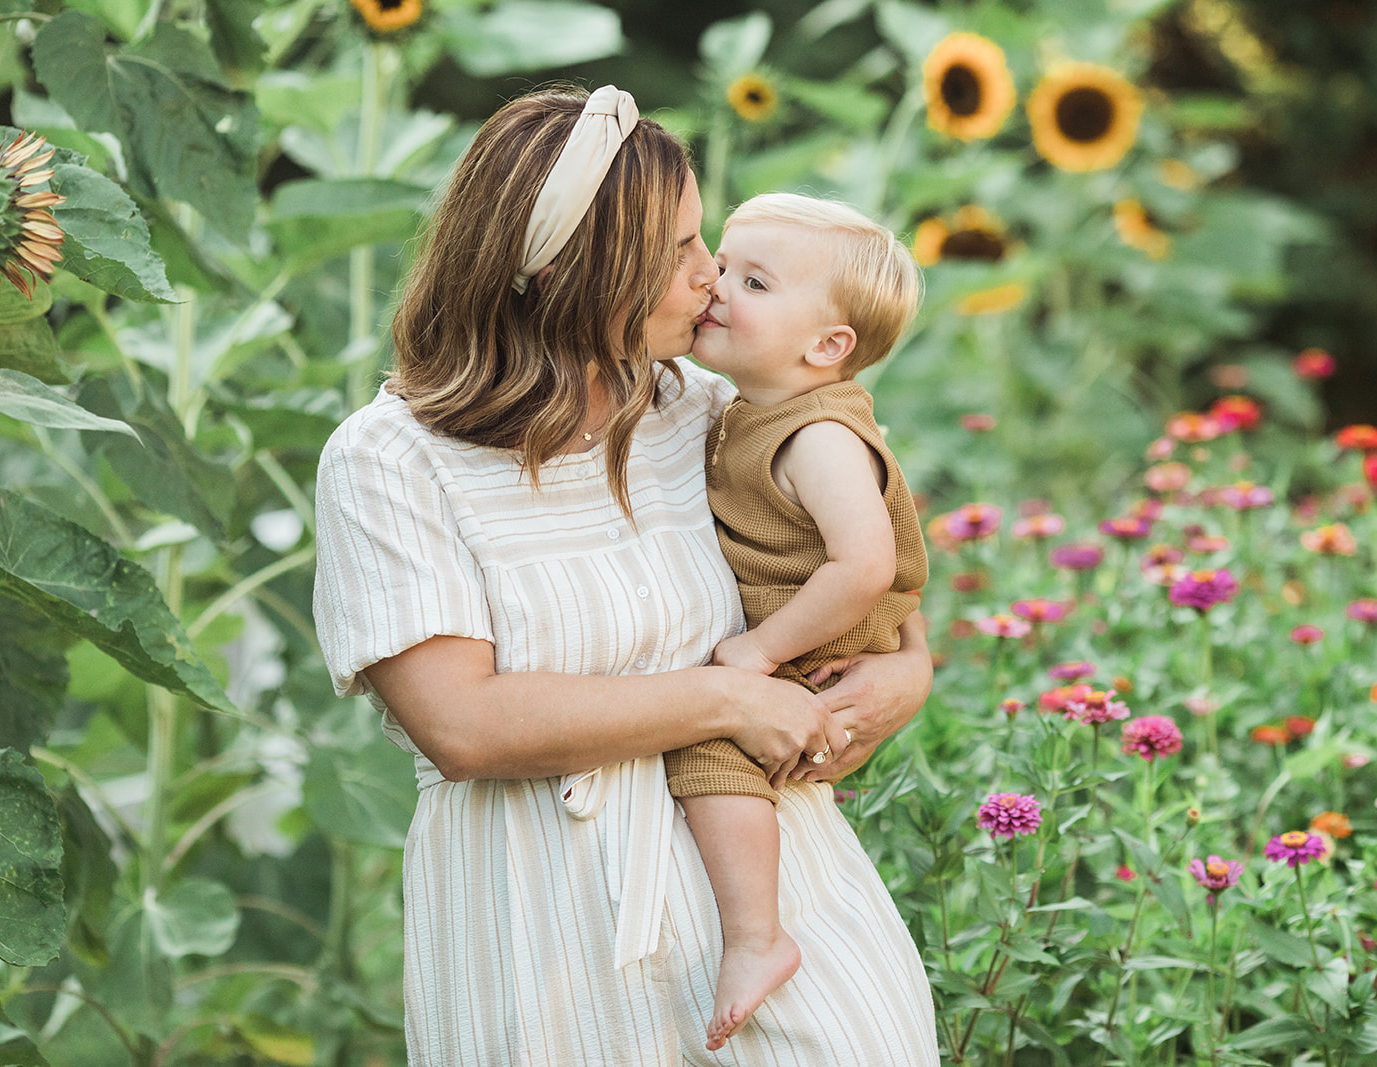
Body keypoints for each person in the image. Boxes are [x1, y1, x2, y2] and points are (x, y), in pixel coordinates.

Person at [311, 85, 939, 1066]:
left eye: (710, 245)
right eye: (681, 251)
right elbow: (463, 724)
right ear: (569, 270)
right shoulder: (391, 461)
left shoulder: (708, 407)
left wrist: (908, 674)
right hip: (545, 932)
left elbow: (873, 572)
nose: (710, 277)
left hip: (788, 909)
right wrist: (727, 697)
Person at [655, 192, 928, 1051]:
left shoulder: (818, 435)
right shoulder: (752, 405)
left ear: (827, 346)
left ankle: (756, 936)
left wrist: (759, 650)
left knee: (709, 743)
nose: (717, 286)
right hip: (816, 622)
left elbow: (867, 565)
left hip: (822, 630)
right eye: (724, 265)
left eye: (755, 281)